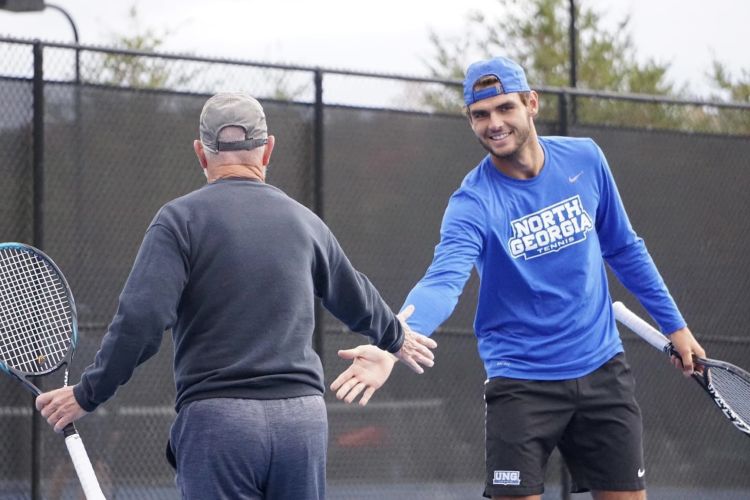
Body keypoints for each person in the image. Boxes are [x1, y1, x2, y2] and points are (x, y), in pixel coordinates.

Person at [331, 57, 706, 500]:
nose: (494, 123)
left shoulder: (585, 158)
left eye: (505, 108)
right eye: (481, 114)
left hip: (603, 369)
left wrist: (676, 327)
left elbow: (624, 247)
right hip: (521, 383)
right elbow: (442, 281)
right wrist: (392, 342)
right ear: (470, 120)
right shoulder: (471, 202)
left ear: (531, 103)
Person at [35, 92, 437, 500]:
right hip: (302, 421)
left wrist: (87, 394)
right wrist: (397, 337)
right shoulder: (306, 223)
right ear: (268, 149)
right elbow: (356, 296)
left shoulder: (178, 221)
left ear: (200, 152)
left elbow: (141, 319)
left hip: (220, 423)